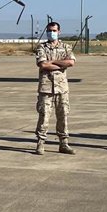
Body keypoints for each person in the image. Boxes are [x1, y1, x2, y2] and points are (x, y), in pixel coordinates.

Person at [34, 21, 75, 155]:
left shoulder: (66, 47)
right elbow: (43, 65)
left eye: (54, 30)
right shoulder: (42, 47)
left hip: (61, 88)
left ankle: (64, 143)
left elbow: (71, 62)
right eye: (49, 30)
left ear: (59, 32)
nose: (52, 33)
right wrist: (61, 65)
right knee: (44, 116)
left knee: (63, 116)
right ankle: (40, 143)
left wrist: (52, 62)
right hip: (46, 88)